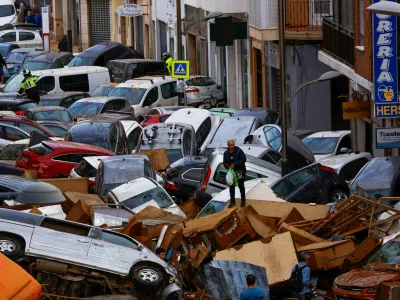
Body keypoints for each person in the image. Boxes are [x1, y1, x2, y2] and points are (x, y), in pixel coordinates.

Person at [223, 140, 246, 208]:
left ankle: (243, 201)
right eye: (230, 145)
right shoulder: (225, 153)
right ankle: (232, 202)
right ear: (228, 145)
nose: (231, 147)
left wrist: (235, 164)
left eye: (232, 145)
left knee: (241, 186)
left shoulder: (239, 151)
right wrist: (226, 166)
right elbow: (224, 162)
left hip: (239, 171)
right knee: (231, 187)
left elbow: (243, 159)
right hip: (231, 172)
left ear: (234, 144)